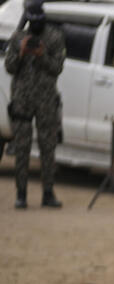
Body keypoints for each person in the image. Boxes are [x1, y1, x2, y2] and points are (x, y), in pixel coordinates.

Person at [6, 0, 65, 210]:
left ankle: (48, 193)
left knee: (48, 148)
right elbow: (9, 67)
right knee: (21, 148)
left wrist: (42, 56)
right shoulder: (18, 38)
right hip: (22, 101)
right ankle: (21, 194)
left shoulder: (55, 37)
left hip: (46, 101)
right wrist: (21, 53)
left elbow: (57, 68)